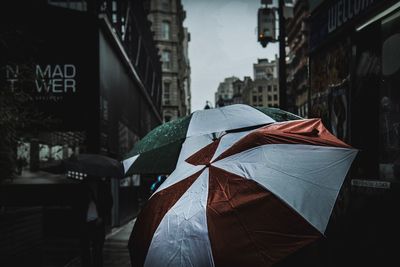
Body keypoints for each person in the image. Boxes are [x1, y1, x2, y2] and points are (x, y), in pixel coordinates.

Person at [79, 177, 113, 267]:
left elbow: (109, 202)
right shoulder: (82, 185)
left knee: (97, 249)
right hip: (84, 222)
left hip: (98, 221)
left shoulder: (103, 186)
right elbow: (76, 203)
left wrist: (102, 217)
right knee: (84, 248)